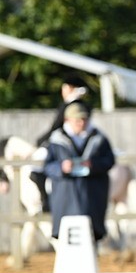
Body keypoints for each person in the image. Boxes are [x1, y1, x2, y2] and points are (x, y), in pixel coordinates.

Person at [42, 101, 115, 241]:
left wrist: (93, 165)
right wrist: (62, 168)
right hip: (65, 195)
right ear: (67, 120)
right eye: (77, 120)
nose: (81, 123)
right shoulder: (56, 140)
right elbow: (48, 166)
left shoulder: (98, 138)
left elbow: (109, 161)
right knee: (66, 237)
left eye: (84, 119)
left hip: (92, 195)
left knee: (92, 234)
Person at [31, 73, 90, 212]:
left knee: (34, 166)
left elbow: (56, 126)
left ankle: (45, 200)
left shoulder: (75, 105)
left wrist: (40, 141)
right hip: (60, 140)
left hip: (61, 143)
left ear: (70, 88)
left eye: (65, 89)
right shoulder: (72, 103)